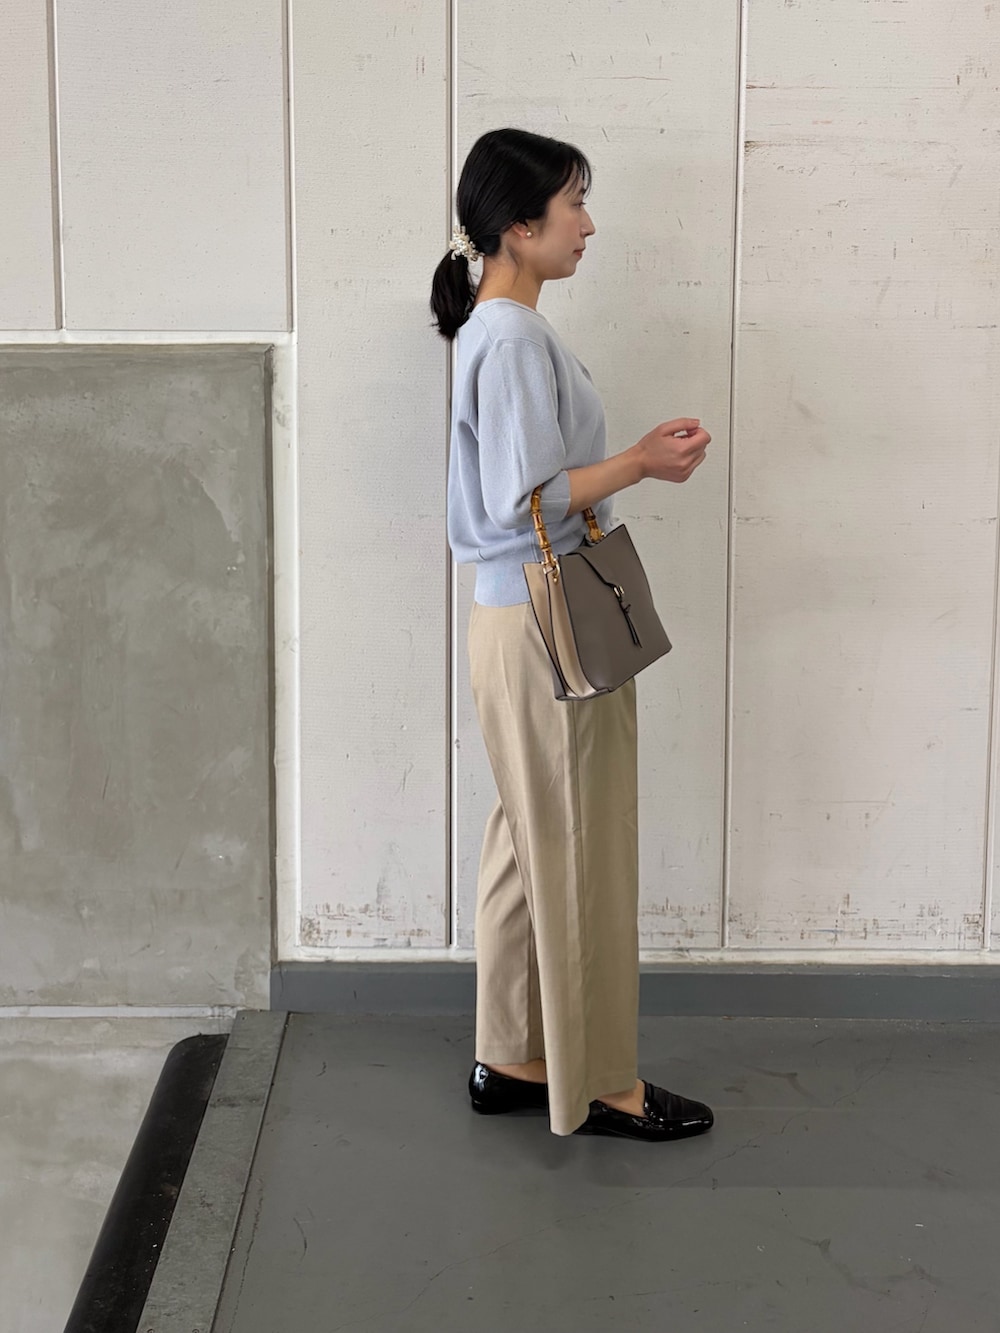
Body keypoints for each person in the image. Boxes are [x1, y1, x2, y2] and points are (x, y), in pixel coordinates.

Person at [430, 127, 715, 1142]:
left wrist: (630, 461)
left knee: (529, 839)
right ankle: (601, 1084)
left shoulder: (497, 329)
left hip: (515, 617)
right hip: (548, 624)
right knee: (579, 845)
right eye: (574, 204)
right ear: (520, 225)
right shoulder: (509, 336)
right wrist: (638, 460)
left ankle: (513, 1053)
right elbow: (528, 498)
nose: (588, 225)